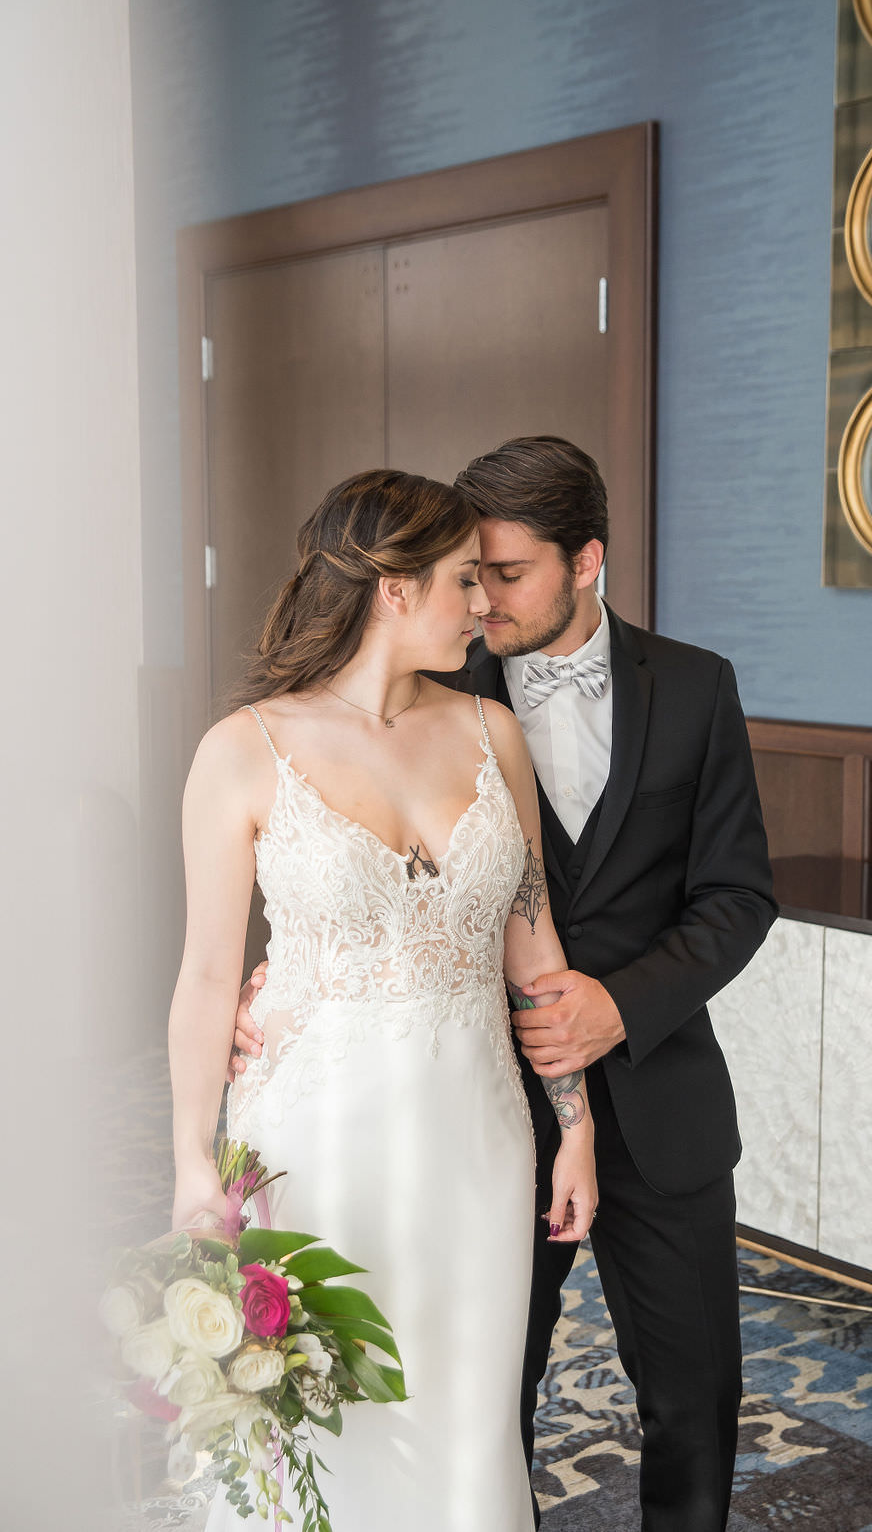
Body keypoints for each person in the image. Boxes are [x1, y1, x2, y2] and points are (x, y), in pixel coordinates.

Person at [233, 439, 777, 1529]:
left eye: (508, 573)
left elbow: (737, 895)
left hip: (655, 1095)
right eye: (465, 575)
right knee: (479, 1395)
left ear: (588, 561)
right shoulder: (435, 688)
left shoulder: (698, 687)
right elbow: (337, 867)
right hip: (472, 1109)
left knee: (695, 1396)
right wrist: (278, 983)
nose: (479, 600)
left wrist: (619, 1004)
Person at [169, 468, 597, 1532]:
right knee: (320, 1411)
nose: (484, 606)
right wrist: (190, 1170)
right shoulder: (241, 751)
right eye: (463, 581)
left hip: (481, 1135)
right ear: (395, 590)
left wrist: (574, 1128)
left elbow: (533, 948)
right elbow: (209, 977)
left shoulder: (493, 734)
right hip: (315, 1139)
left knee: (465, 1412)